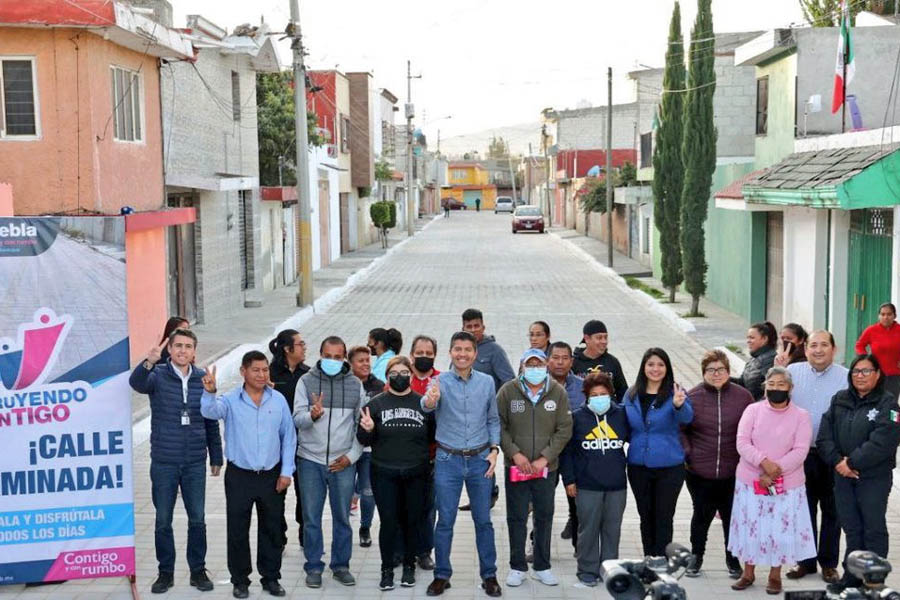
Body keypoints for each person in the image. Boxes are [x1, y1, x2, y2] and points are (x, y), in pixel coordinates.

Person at [129, 328, 221, 594]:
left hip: (194, 461)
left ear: (195, 351)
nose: (183, 350)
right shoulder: (156, 376)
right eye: (178, 345)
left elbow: (210, 418)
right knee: (162, 520)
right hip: (164, 461)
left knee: (197, 519)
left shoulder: (203, 378)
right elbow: (136, 383)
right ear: (169, 349)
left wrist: (216, 455)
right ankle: (165, 573)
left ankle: (198, 571)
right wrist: (148, 361)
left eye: (188, 346)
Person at [200, 352, 296, 599]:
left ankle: (271, 578)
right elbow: (210, 412)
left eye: (265, 370)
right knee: (238, 530)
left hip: (271, 475)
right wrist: (210, 391)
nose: (262, 375)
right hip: (239, 476)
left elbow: (289, 438)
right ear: (243, 371)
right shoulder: (231, 400)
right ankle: (240, 580)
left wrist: (286, 472)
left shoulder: (279, 400)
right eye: (256, 370)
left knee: (272, 529)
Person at [422, 331, 502, 598]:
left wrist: (494, 448)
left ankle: (489, 575)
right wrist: (429, 401)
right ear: (450, 352)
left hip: (481, 460)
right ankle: (441, 575)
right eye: (457, 349)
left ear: (475, 353)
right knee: (445, 521)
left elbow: (493, 419)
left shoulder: (487, 382)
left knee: (484, 522)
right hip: (448, 460)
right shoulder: (439, 381)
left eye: (468, 349)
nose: (463, 354)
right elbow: (426, 405)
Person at [817, 354, 900, 594]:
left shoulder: (888, 404)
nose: (860, 376)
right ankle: (852, 578)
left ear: (877, 374)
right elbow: (824, 436)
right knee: (852, 529)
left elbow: (884, 441)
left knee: (872, 528)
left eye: (865, 371)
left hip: (873, 478)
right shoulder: (839, 399)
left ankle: (873, 581)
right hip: (842, 477)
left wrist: (852, 462)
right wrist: (838, 462)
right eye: (855, 372)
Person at [729, 367, 815, 595]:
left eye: (781, 384)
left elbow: (800, 450)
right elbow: (742, 442)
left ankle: (775, 575)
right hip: (751, 480)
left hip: (786, 484)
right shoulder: (752, 410)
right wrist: (763, 462)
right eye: (772, 384)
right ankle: (747, 573)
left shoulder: (801, 416)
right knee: (751, 528)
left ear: (790, 388)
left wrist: (775, 471)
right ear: (765, 386)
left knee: (779, 530)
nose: (776, 388)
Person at [357, 357, 435, 591]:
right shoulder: (376, 404)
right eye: (394, 373)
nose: (399, 376)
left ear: (411, 375)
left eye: (403, 372)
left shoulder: (423, 403)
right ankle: (387, 569)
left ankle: (409, 565)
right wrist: (368, 430)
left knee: (412, 520)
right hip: (384, 472)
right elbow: (363, 440)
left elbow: (432, 436)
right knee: (389, 522)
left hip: (416, 472)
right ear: (387, 376)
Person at [294, 337, 366, 589]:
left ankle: (341, 566)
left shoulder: (356, 385)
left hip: (343, 461)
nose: (332, 361)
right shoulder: (306, 382)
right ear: (320, 354)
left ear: (344, 357)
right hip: (310, 461)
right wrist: (311, 415)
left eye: (337, 357)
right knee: (312, 517)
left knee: (342, 518)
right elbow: (297, 419)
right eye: (328, 356)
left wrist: (351, 457)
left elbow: (362, 427)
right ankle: (313, 566)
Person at [498, 349, 572, 588]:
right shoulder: (508, 391)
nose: (534, 369)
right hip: (516, 467)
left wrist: (545, 458)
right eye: (529, 364)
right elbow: (499, 425)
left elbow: (564, 429)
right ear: (521, 366)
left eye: (538, 364)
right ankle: (517, 566)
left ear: (545, 366)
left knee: (544, 516)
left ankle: (542, 566)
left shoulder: (557, 393)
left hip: (545, 469)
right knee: (517, 517)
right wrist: (515, 454)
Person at [680, 350, 753, 579]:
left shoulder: (743, 397)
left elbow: (753, 429)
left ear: (728, 372)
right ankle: (696, 556)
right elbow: (681, 430)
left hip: (734, 470)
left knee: (732, 517)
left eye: (721, 369)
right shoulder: (692, 396)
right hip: (699, 471)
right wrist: (689, 455)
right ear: (703, 373)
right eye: (710, 370)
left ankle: (732, 559)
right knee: (701, 515)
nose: (716, 374)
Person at [784, 331, 848, 584]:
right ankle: (805, 562)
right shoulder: (792, 371)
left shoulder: (845, 377)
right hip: (801, 455)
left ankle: (829, 564)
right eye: (813, 345)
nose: (818, 350)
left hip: (832, 454)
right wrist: (777, 368)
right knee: (803, 510)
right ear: (805, 348)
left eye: (824, 345)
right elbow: (773, 397)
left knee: (833, 512)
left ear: (834, 349)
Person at [560, 372, 630, 587]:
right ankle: (587, 570)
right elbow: (567, 452)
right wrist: (569, 480)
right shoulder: (577, 417)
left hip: (616, 485)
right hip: (587, 485)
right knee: (587, 530)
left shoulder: (621, 415)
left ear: (610, 394)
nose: (599, 398)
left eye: (603, 394)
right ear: (586, 397)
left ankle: (609, 570)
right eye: (594, 395)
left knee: (612, 530)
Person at [623, 347, 693, 558]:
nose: (655, 369)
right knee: (646, 517)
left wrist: (679, 406)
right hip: (638, 466)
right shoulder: (632, 393)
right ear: (643, 367)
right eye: (651, 364)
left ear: (667, 368)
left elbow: (688, 418)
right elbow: (624, 425)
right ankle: (649, 559)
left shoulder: (675, 392)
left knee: (663, 518)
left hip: (669, 467)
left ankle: (662, 563)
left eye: (660, 365)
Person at [462, 308, 515, 510]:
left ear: (483, 326)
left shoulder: (494, 350)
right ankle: (477, 495)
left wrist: (494, 403)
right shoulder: (461, 349)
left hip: (487, 416)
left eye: (477, 326)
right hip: (465, 418)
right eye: (469, 326)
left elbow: (508, 380)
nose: (473, 330)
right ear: (463, 328)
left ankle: (489, 493)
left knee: (485, 454)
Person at [269, 329, 310, 551]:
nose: (304, 347)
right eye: (301, 344)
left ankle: (306, 534)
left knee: (305, 492)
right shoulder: (270, 374)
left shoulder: (307, 374)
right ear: (287, 349)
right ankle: (279, 537)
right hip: (277, 443)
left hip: (304, 441)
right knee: (277, 492)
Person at [547, 341, 585, 549]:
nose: (560, 362)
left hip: (575, 454)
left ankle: (581, 549)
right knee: (542, 504)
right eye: (555, 358)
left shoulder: (582, 387)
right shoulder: (537, 385)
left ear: (571, 361)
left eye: (565, 358)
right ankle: (537, 546)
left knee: (578, 502)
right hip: (545, 454)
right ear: (547, 360)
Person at [409, 335, 441, 570]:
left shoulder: (442, 380)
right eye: (420, 353)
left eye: (429, 353)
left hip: (434, 455)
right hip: (404, 455)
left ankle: (424, 551)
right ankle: (402, 549)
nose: (424, 357)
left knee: (429, 507)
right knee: (403, 505)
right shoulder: (400, 378)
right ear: (412, 354)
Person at [348, 345, 384, 550]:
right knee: (344, 492)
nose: (365, 364)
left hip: (369, 450)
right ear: (350, 363)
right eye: (360, 360)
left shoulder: (378, 386)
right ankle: (342, 528)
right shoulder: (344, 383)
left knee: (368, 492)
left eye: (368, 360)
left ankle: (365, 527)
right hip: (345, 448)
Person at [571, 320, 628, 403]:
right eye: (599, 337)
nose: (604, 341)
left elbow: (623, 392)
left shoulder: (612, 362)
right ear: (587, 338)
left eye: (605, 337)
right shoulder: (574, 362)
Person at [855, 303, 900, 399]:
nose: (886, 317)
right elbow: (859, 345)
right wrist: (866, 359)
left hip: (894, 375)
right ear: (879, 316)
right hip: (875, 374)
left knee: (891, 403)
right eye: (883, 314)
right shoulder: (871, 330)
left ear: (894, 316)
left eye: (889, 314)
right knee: (874, 402)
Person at [733, 322, 778, 401]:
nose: (748, 341)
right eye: (748, 338)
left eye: (752, 338)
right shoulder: (754, 358)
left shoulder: (771, 359)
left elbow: (768, 388)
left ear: (764, 339)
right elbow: (742, 382)